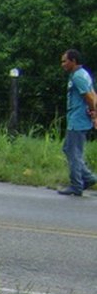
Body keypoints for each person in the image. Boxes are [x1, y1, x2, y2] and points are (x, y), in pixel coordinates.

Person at [56, 49, 97, 196]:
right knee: (68, 149)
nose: (63, 64)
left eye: (65, 61)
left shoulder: (78, 77)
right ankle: (88, 178)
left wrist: (93, 112)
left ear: (73, 61)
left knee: (74, 153)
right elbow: (93, 94)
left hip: (77, 120)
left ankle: (76, 184)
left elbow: (90, 97)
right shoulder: (83, 74)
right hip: (78, 118)